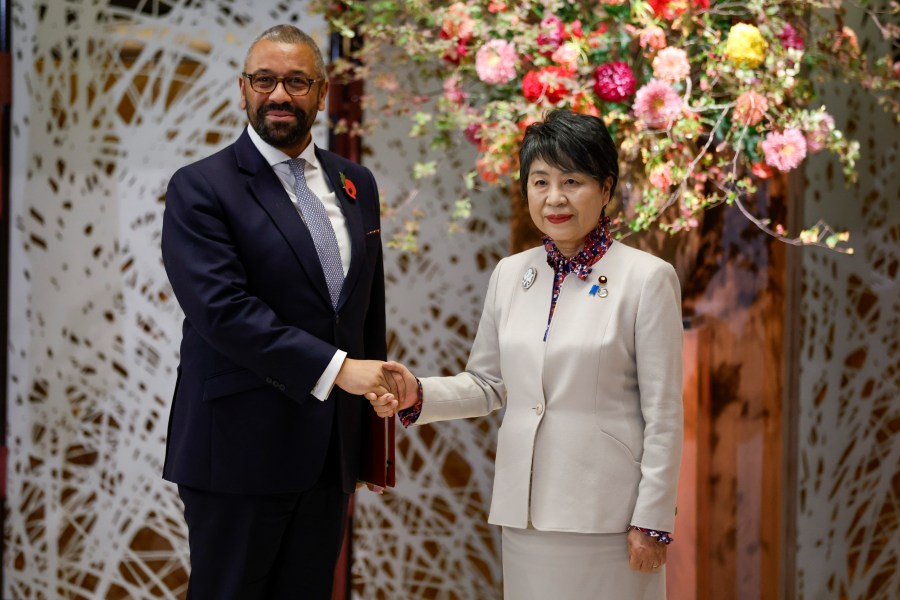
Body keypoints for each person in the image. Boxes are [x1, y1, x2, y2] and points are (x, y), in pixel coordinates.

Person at [370, 109, 684, 599]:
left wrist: (653, 518)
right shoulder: (511, 273)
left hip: (609, 519)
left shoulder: (647, 278)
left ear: (605, 189)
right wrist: (418, 392)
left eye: (572, 181)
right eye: (540, 181)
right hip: (525, 513)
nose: (554, 198)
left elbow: (663, 413)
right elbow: (489, 384)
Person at [160, 24, 397, 599]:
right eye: (264, 80)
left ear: (321, 92)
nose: (279, 95)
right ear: (242, 89)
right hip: (237, 452)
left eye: (296, 81)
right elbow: (224, 312)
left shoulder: (354, 182)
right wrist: (343, 370)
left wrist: (372, 419)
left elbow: (364, 309)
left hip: (327, 454)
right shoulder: (201, 188)